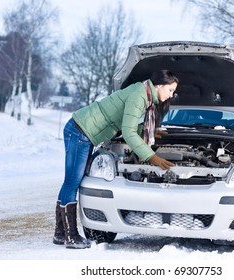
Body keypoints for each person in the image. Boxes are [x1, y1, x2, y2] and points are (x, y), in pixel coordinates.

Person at [53, 70, 179, 249]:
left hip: (84, 131)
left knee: (70, 182)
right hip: (80, 130)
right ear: (159, 85)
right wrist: (151, 156)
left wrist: (148, 129)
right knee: (72, 182)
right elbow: (128, 132)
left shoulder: (142, 92)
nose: (171, 95)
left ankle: (60, 234)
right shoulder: (139, 96)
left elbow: (126, 120)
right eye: (170, 90)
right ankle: (71, 236)